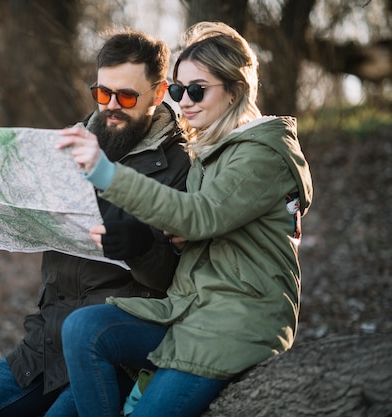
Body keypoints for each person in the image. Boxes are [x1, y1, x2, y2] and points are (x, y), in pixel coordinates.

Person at [0, 29, 191, 417]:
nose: (111, 106)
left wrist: (142, 248)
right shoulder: (68, 144)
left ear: (159, 91)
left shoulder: (181, 166)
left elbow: (180, 280)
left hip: (115, 355)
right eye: (102, 93)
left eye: (127, 96)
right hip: (44, 345)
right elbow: (22, 217)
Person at [58, 21, 314, 417]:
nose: (185, 101)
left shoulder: (261, 154)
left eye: (197, 89)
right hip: (189, 312)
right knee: (82, 329)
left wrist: (105, 172)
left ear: (235, 90)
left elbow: (202, 215)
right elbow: (204, 223)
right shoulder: (209, 153)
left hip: (235, 323)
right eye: (178, 90)